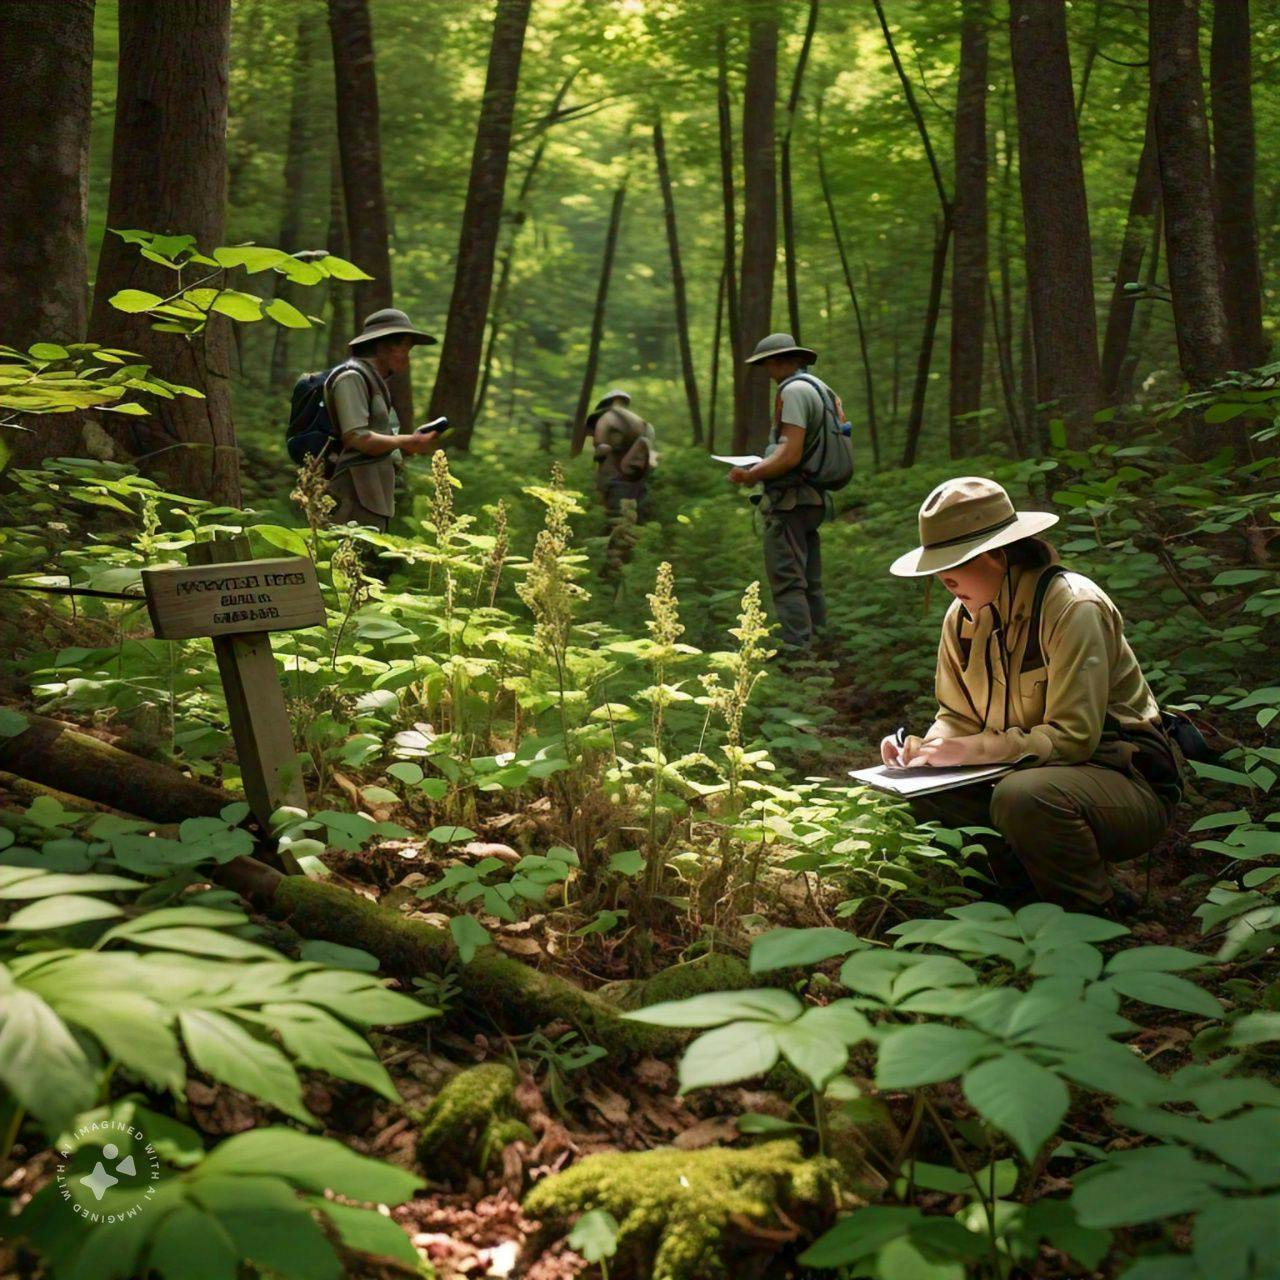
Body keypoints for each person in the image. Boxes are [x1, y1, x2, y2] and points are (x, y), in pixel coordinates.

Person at [885, 476, 1182, 913]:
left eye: (952, 568)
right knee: (915, 792)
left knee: (1023, 796)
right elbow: (957, 715)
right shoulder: (961, 617)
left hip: (1126, 784)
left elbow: (1074, 738)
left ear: (996, 557)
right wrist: (927, 752)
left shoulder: (1073, 607)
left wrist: (967, 750)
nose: (944, 581)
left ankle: (1094, 910)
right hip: (1019, 775)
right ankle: (1014, 897)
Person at [728, 332, 843, 655]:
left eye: (767, 363)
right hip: (814, 498)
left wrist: (752, 473)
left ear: (780, 360)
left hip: (792, 500)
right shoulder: (821, 389)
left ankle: (798, 653)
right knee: (810, 579)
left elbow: (790, 453)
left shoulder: (792, 391)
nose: (767, 370)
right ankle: (821, 644)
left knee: (788, 580)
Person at [326, 308, 442, 532]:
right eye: (404, 348)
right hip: (351, 491)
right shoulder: (351, 378)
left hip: (372, 493)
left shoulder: (374, 381)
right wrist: (408, 442)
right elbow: (356, 437)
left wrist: (408, 443)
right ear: (381, 346)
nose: (407, 357)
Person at [588, 389, 657, 524]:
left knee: (614, 517)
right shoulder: (642, 423)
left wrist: (597, 461)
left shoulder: (606, 417)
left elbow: (602, 446)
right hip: (636, 477)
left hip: (613, 476)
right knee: (634, 515)